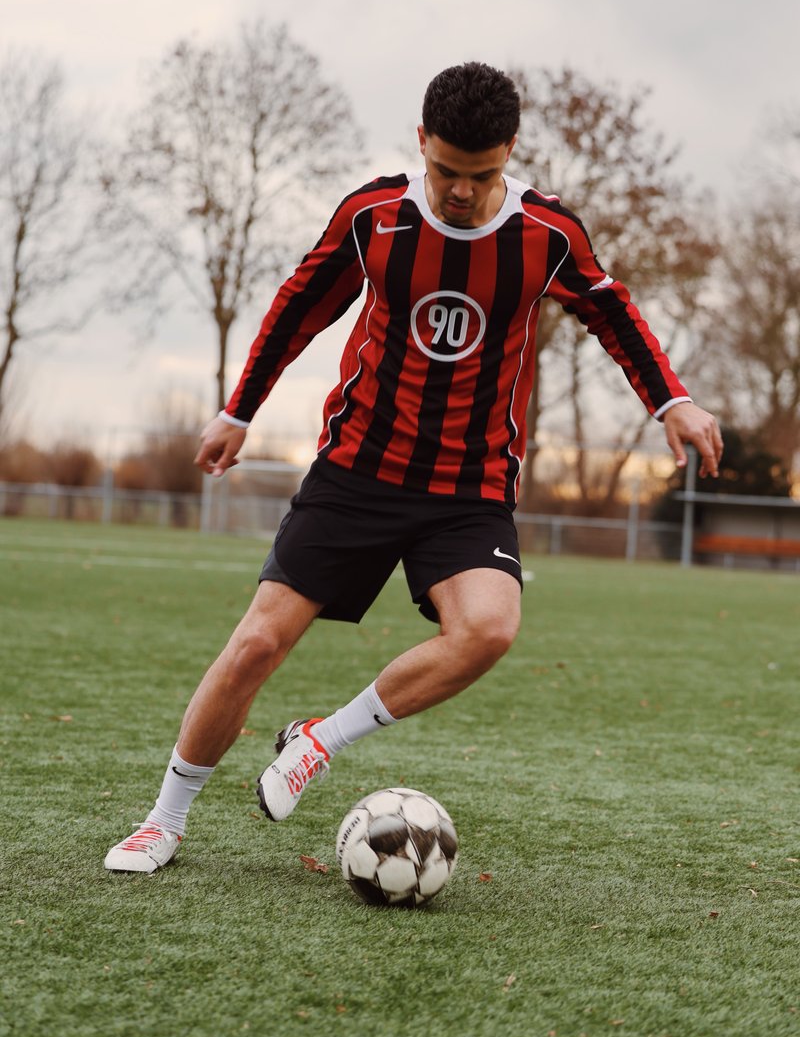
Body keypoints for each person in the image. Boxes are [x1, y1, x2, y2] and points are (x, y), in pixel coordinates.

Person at [105, 62, 722, 873]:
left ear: (509, 154)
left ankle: (322, 739)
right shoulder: (375, 216)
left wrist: (668, 400)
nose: (461, 191)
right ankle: (164, 820)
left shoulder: (547, 235)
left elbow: (613, 311)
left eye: (482, 175)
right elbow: (300, 305)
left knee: (490, 629)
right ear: (420, 141)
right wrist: (239, 410)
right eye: (446, 172)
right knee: (257, 642)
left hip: (469, 486)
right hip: (358, 469)